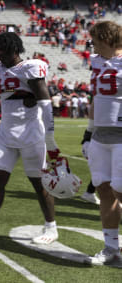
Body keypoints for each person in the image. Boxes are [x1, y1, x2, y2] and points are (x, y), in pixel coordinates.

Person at [0, 32, 61, 246]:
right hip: (7, 132)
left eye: (5, 50)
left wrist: (50, 137)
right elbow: (6, 96)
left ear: (16, 49)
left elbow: (45, 102)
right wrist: (24, 96)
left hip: (31, 133)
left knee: (39, 183)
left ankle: (51, 227)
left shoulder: (30, 67)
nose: (1, 55)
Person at [84, 21, 122, 265]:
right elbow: (96, 97)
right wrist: (88, 134)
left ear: (107, 39)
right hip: (100, 135)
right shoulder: (96, 61)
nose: (93, 45)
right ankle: (110, 247)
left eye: (96, 40)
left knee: (121, 190)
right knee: (103, 188)